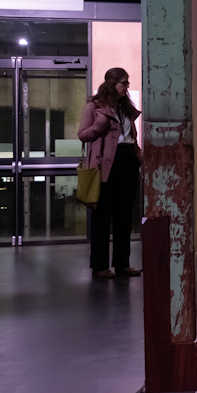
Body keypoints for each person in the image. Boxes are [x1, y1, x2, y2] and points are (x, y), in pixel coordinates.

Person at [78, 67, 142, 279]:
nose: (127, 86)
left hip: (128, 161)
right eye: (123, 82)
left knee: (125, 215)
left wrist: (140, 157)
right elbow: (83, 135)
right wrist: (99, 124)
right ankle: (100, 266)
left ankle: (122, 263)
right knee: (103, 216)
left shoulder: (126, 107)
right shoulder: (94, 106)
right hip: (106, 165)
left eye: (127, 83)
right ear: (112, 83)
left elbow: (131, 138)